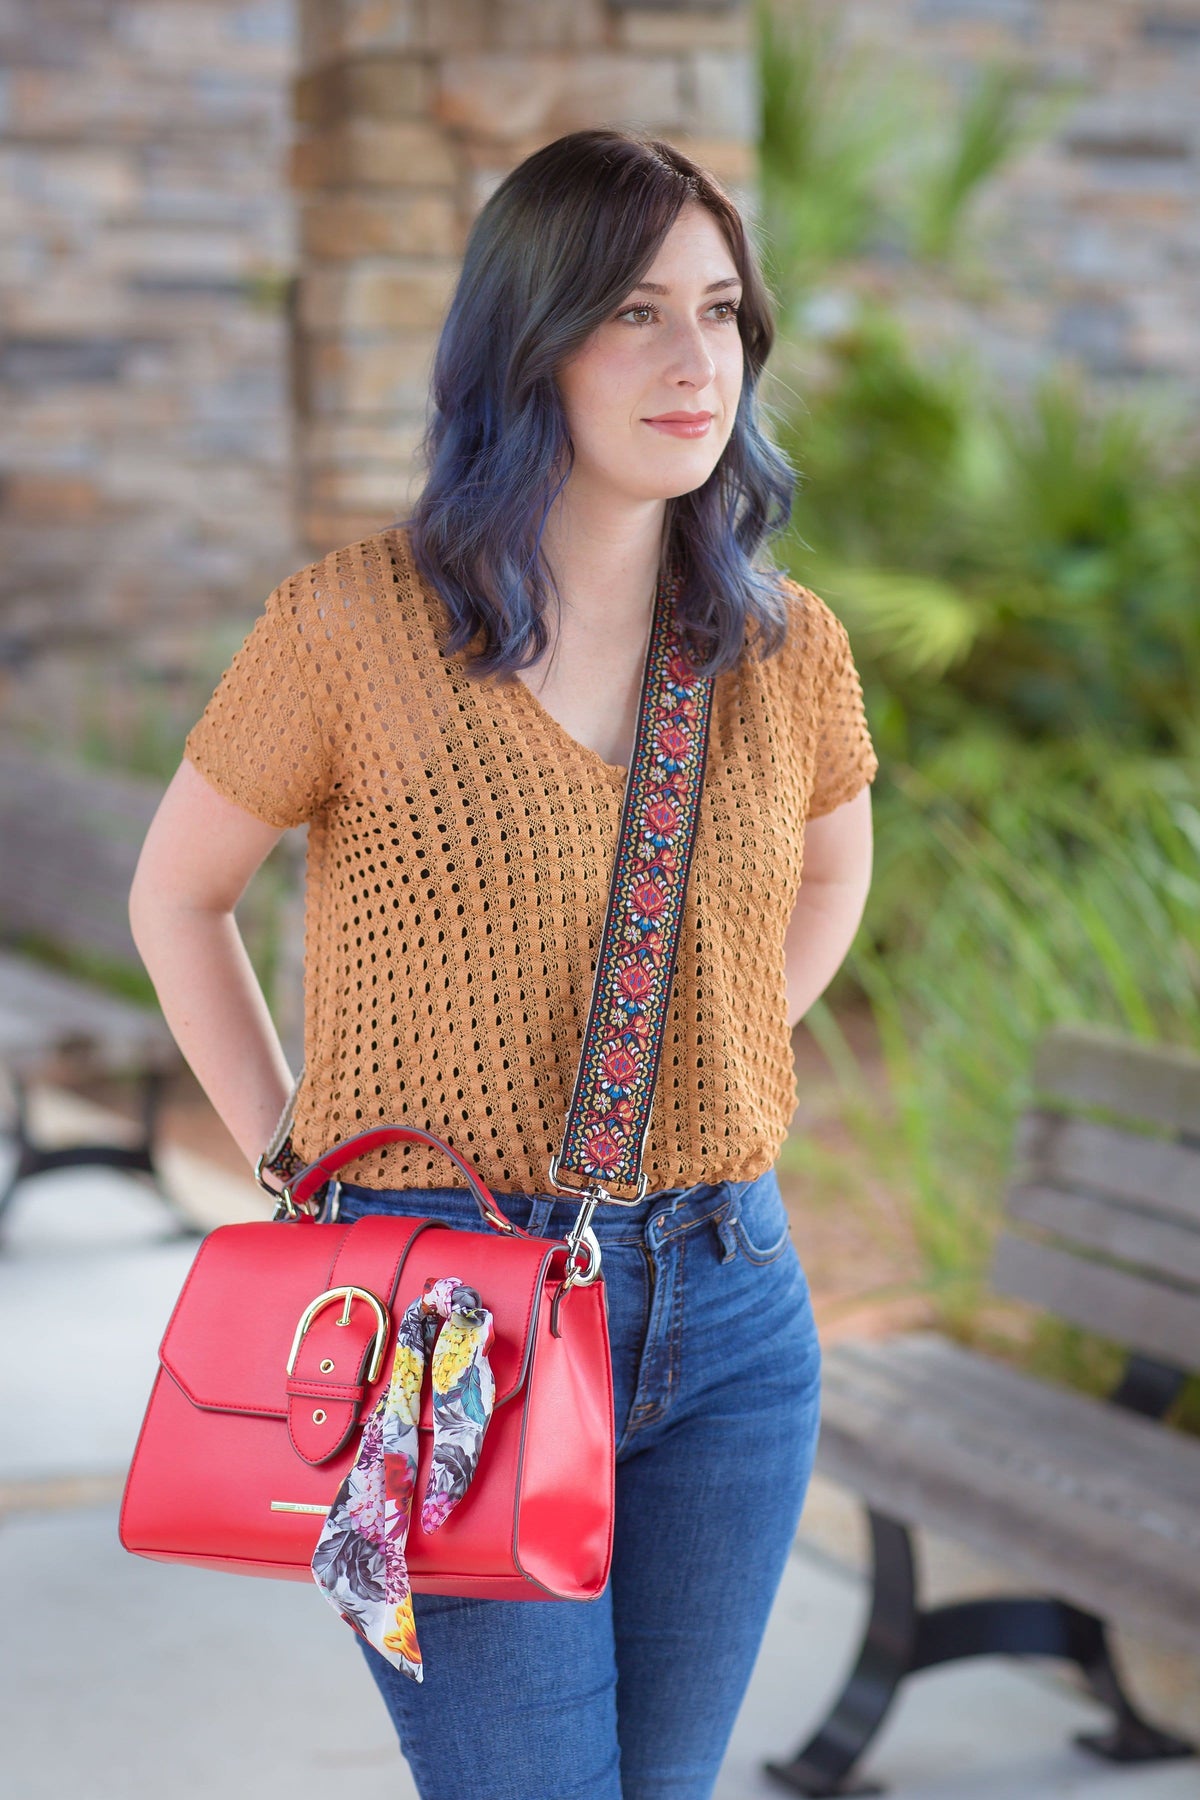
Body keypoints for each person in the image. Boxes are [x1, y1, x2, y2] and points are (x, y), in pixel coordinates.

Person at [129, 128, 877, 1800]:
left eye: (722, 311)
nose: (697, 363)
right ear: (526, 344)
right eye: (635, 313)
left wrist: (731, 1036)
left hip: (734, 1304)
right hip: (449, 1321)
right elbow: (177, 900)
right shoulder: (353, 627)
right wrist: (287, 1157)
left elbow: (832, 870)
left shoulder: (782, 647)